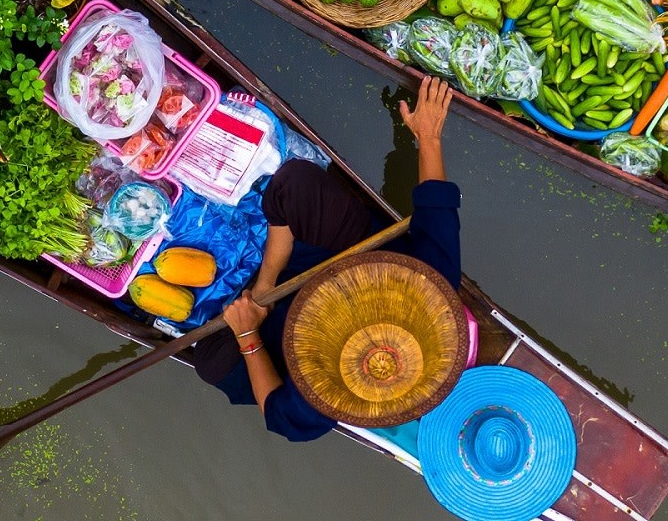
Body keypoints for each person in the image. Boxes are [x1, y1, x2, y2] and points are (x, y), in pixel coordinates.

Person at [190, 76, 464, 441]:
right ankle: (265, 275)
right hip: (350, 256)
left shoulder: (329, 390)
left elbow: (280, 415)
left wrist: (248, 335)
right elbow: (436, 204)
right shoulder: (433, 285)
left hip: (289, 329)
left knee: (211, 364)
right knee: (296, 184)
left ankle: (249, 309)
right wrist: (427, 136)